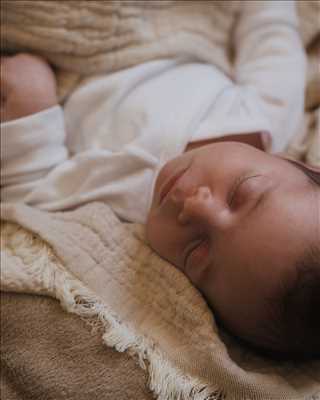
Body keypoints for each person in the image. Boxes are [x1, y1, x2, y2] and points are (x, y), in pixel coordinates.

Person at [1, 1, 319, 359]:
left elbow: (32, 190)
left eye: (197, 251)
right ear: (293, 163)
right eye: (240, 192)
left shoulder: (124, 207)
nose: (196, 207)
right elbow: (268, 22)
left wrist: (30, 106)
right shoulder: (269, 114)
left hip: (56, 54)